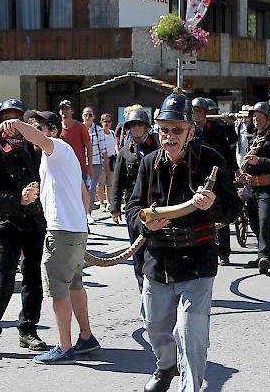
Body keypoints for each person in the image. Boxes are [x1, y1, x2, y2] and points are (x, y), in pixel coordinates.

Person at [126, 92, 241, 392]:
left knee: (191, 332)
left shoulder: (211, 160)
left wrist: (212, 205)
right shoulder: (149, 163)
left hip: (197, 262)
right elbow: (133, 208)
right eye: (164, 128)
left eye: (177, 129)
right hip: (158, 262)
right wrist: (145, 220)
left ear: (191, 130)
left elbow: (233, 209)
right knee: (156, 327)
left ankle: (189, 387)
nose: (169, 135)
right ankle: (165, 366)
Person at [0, 110, 100, 365]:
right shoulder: (61, 156)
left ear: (53, 130)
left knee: (58, 291)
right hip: (74, 229)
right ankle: (86, 337)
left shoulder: (57, 148)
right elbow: (84, 194)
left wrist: (18, 124)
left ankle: (65, 347)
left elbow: (41, 139)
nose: (33, 130)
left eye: (39, 126)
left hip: (62, 231)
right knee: (75, 285)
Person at [0, 99, 48, 360]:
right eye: (8, 119)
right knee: (3, 282)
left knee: (33, 279)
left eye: (18, 119)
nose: (13, 125)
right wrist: (19, 198)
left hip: (34, 222)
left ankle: (28, 329)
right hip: (7, 223)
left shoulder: (34, 148)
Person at [110, 108, 158, 291]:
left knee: (155, 249)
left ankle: (157, 285)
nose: (136, 128)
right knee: (137, 250)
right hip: (134, 208)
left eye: (140, 124)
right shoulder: (125, 152)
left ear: (146, 126)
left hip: (155, 206)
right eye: (132, 125)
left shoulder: (158, 148)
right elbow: (118, 181)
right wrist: (115, 207)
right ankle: (142, 288)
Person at [192, 97, 239, 266]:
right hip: (196, 176)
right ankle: (201, 249)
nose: (196, 114)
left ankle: (224, 252)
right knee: (198, 213)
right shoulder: (188, 130)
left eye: (199, 111)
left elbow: (229, 148)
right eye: (194, 111)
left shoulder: (217, 128)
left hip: (217, 175)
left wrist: (229, 125)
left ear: (205, 113)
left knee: (220, 212)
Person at [240, 102, 270, 273]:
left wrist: (259, 161)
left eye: (258, 116)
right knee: (253, 220)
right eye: (253, 116)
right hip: (251, 186)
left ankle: (264, 256)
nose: (255, 119)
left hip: (268, 186)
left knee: (264, 219)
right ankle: (264, 253)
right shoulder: (254, 137)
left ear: (267, 118)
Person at [83, 106, 109, 220]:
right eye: (86, 115)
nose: (88, 117)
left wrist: (106, 163)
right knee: (81, 187)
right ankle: (81, 212)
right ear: (82, 116)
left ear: (93, 117)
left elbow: (103, 148)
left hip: (95, 163)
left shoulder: (98, 130)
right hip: (82, 163)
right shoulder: (79, 128)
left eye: (90, 115)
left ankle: (88, 213)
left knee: (91, 188)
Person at [59, 100, 93, 185]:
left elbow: (89, 147)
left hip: (79, 168)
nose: (64, 111)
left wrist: (90, 165)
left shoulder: (80, 127)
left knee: (81, 196)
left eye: (67, 109)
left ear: (72, 111)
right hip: (63, 169)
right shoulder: (57, 128)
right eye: (62, 109)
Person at [96, 112, 117, 212]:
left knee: (110, 183)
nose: (107, 123)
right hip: (102, 160)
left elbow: (115, 146)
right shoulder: (99, 134)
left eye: (109, 121)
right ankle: (101, 203)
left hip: (112, 160)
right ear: (101, 122)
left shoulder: (112, 133)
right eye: (105, 121)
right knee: (101, 183)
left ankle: (109, 202)